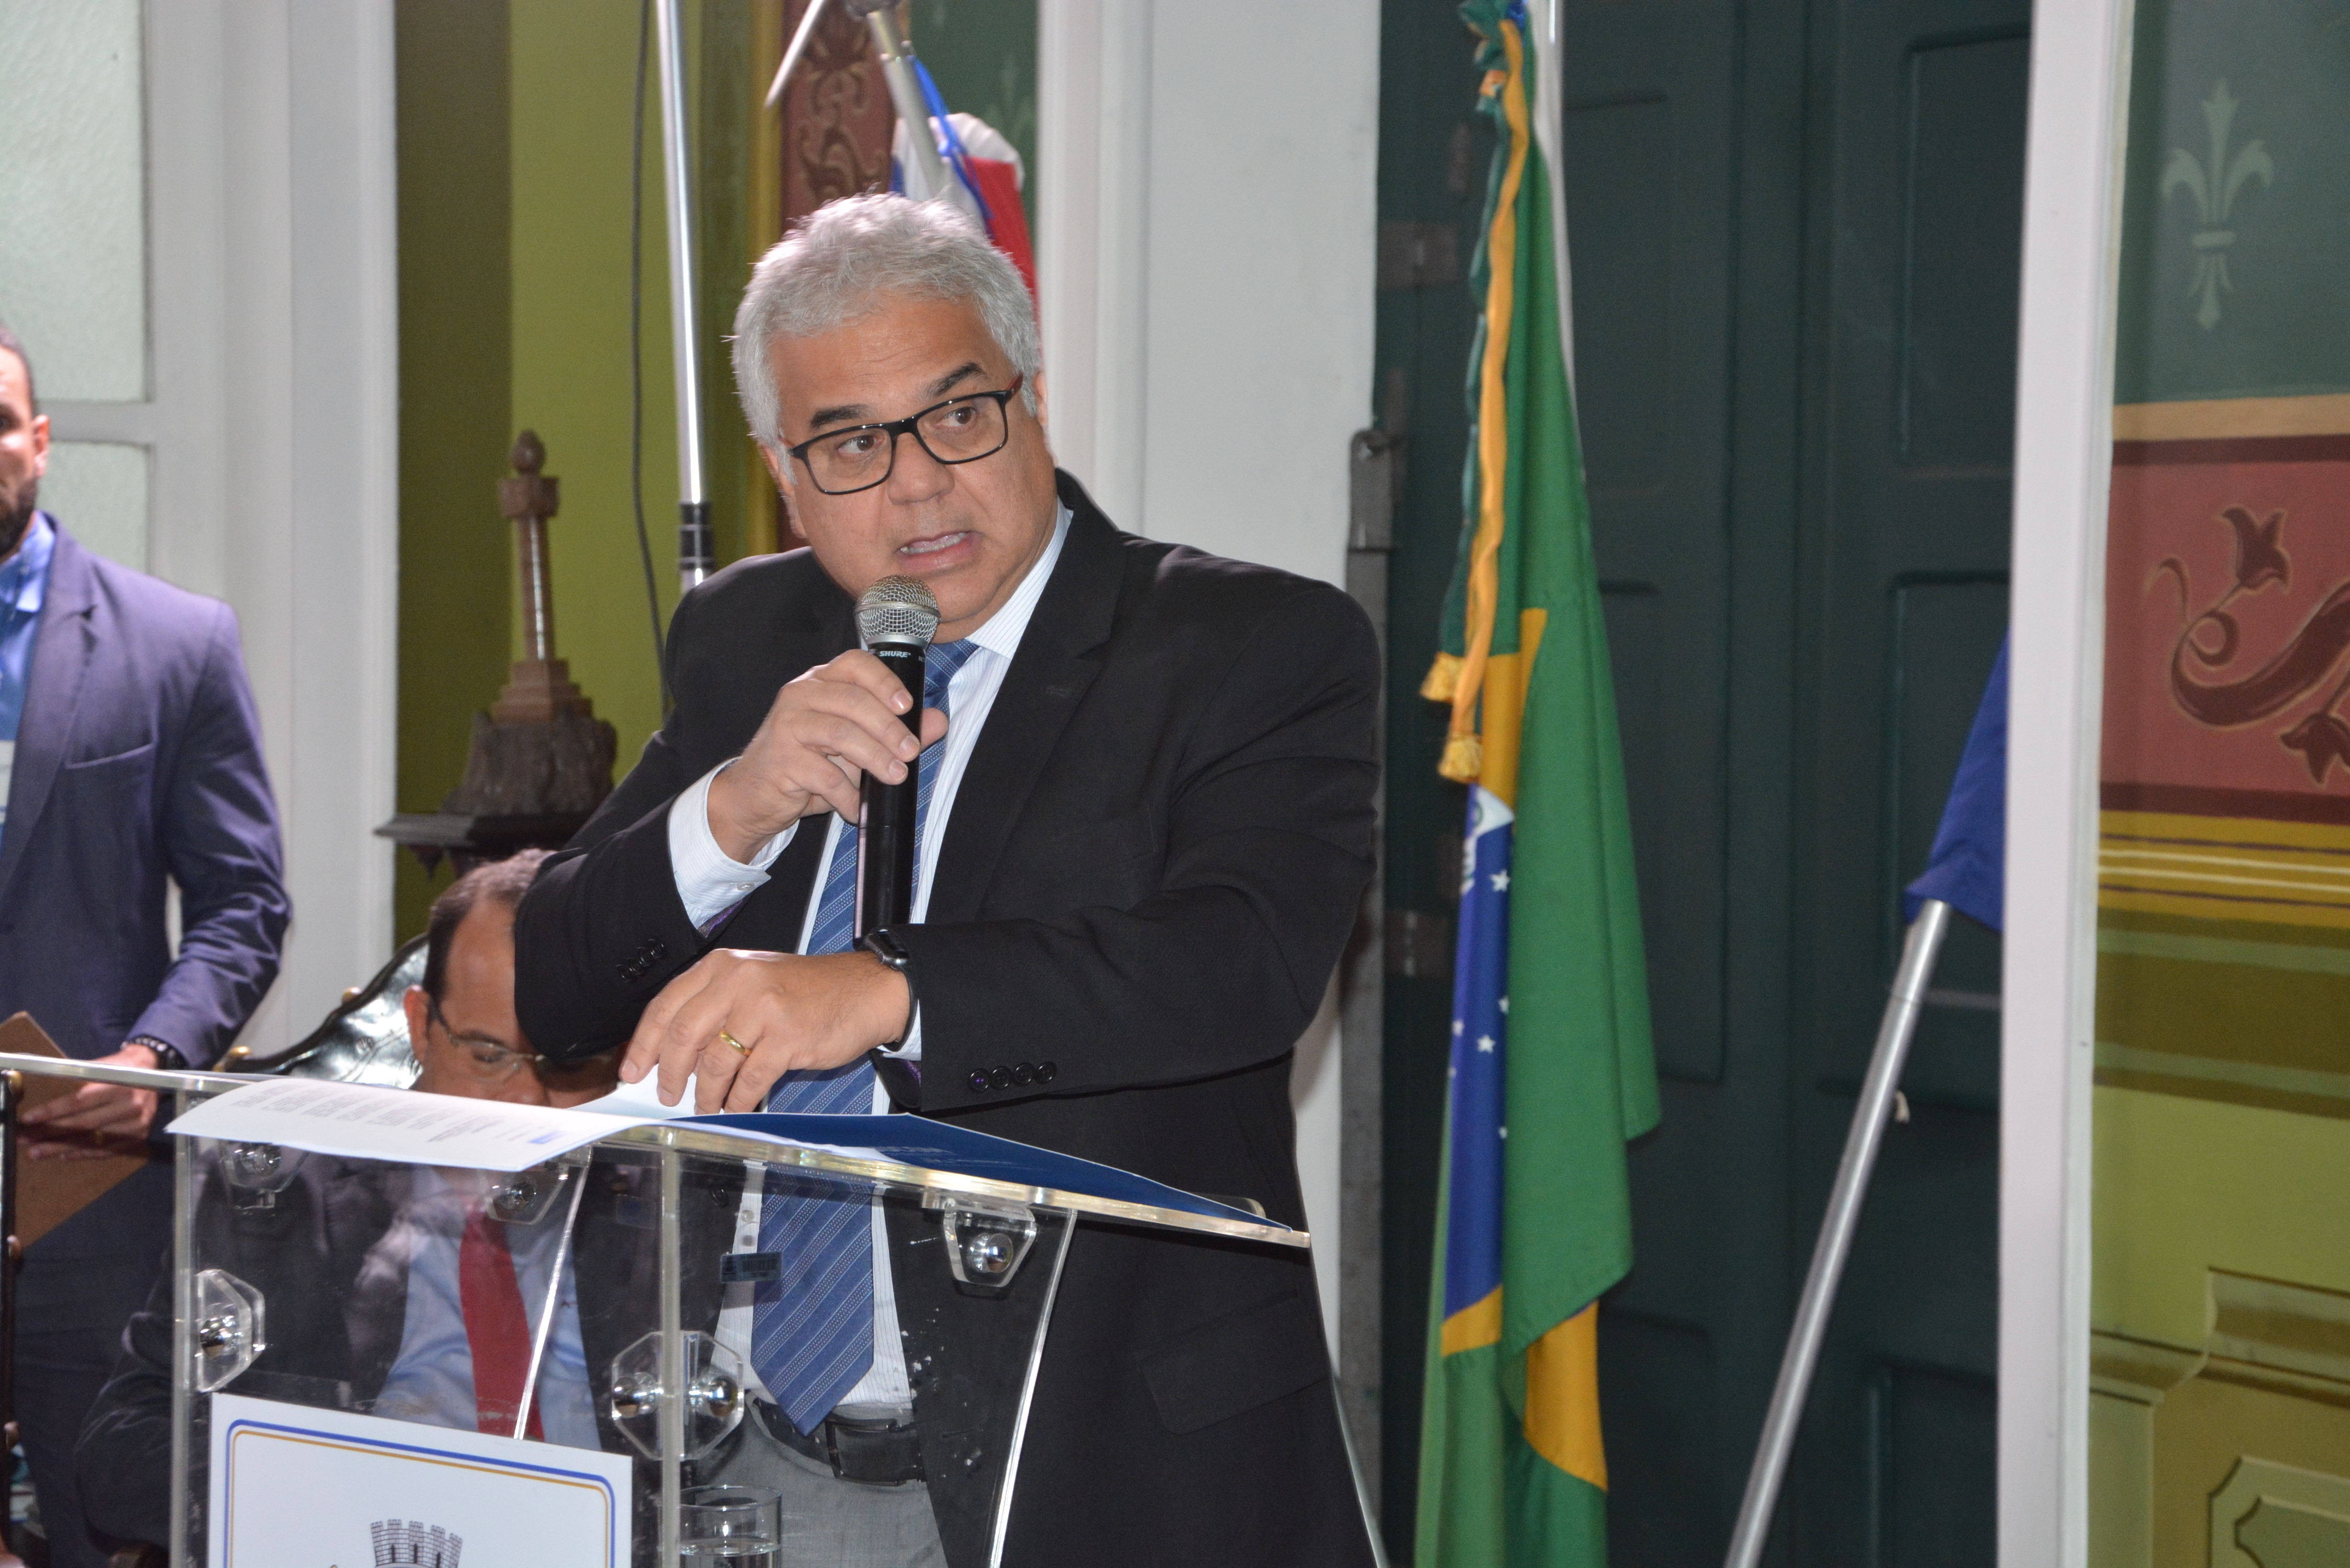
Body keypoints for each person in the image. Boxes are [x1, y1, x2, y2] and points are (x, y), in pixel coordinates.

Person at [513, 194, 1380, 1567]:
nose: (917, 483)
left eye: (957, 415)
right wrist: (729, 812)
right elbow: (552, 988)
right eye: (852, 443)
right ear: (783, 476)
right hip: (735, 1466)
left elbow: (1243, 968)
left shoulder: (1246, 647)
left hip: (1090, 1464)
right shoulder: (749, 636)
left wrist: (888, 992)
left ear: (1032, 404)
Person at [73, 851, 625, 1554]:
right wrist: (324, 1493)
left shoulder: (656, 1200)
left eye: (568, 1064)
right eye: (488, 1056)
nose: (526, 1098)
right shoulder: (280, 1196)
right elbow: (124, 1448)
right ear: (422, 1024)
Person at [0, 321, 289, 1568]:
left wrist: (149, 1054)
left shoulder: (177, 645)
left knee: (100, 1531)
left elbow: (244, 903)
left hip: (90, 1189)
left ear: (40, 443)